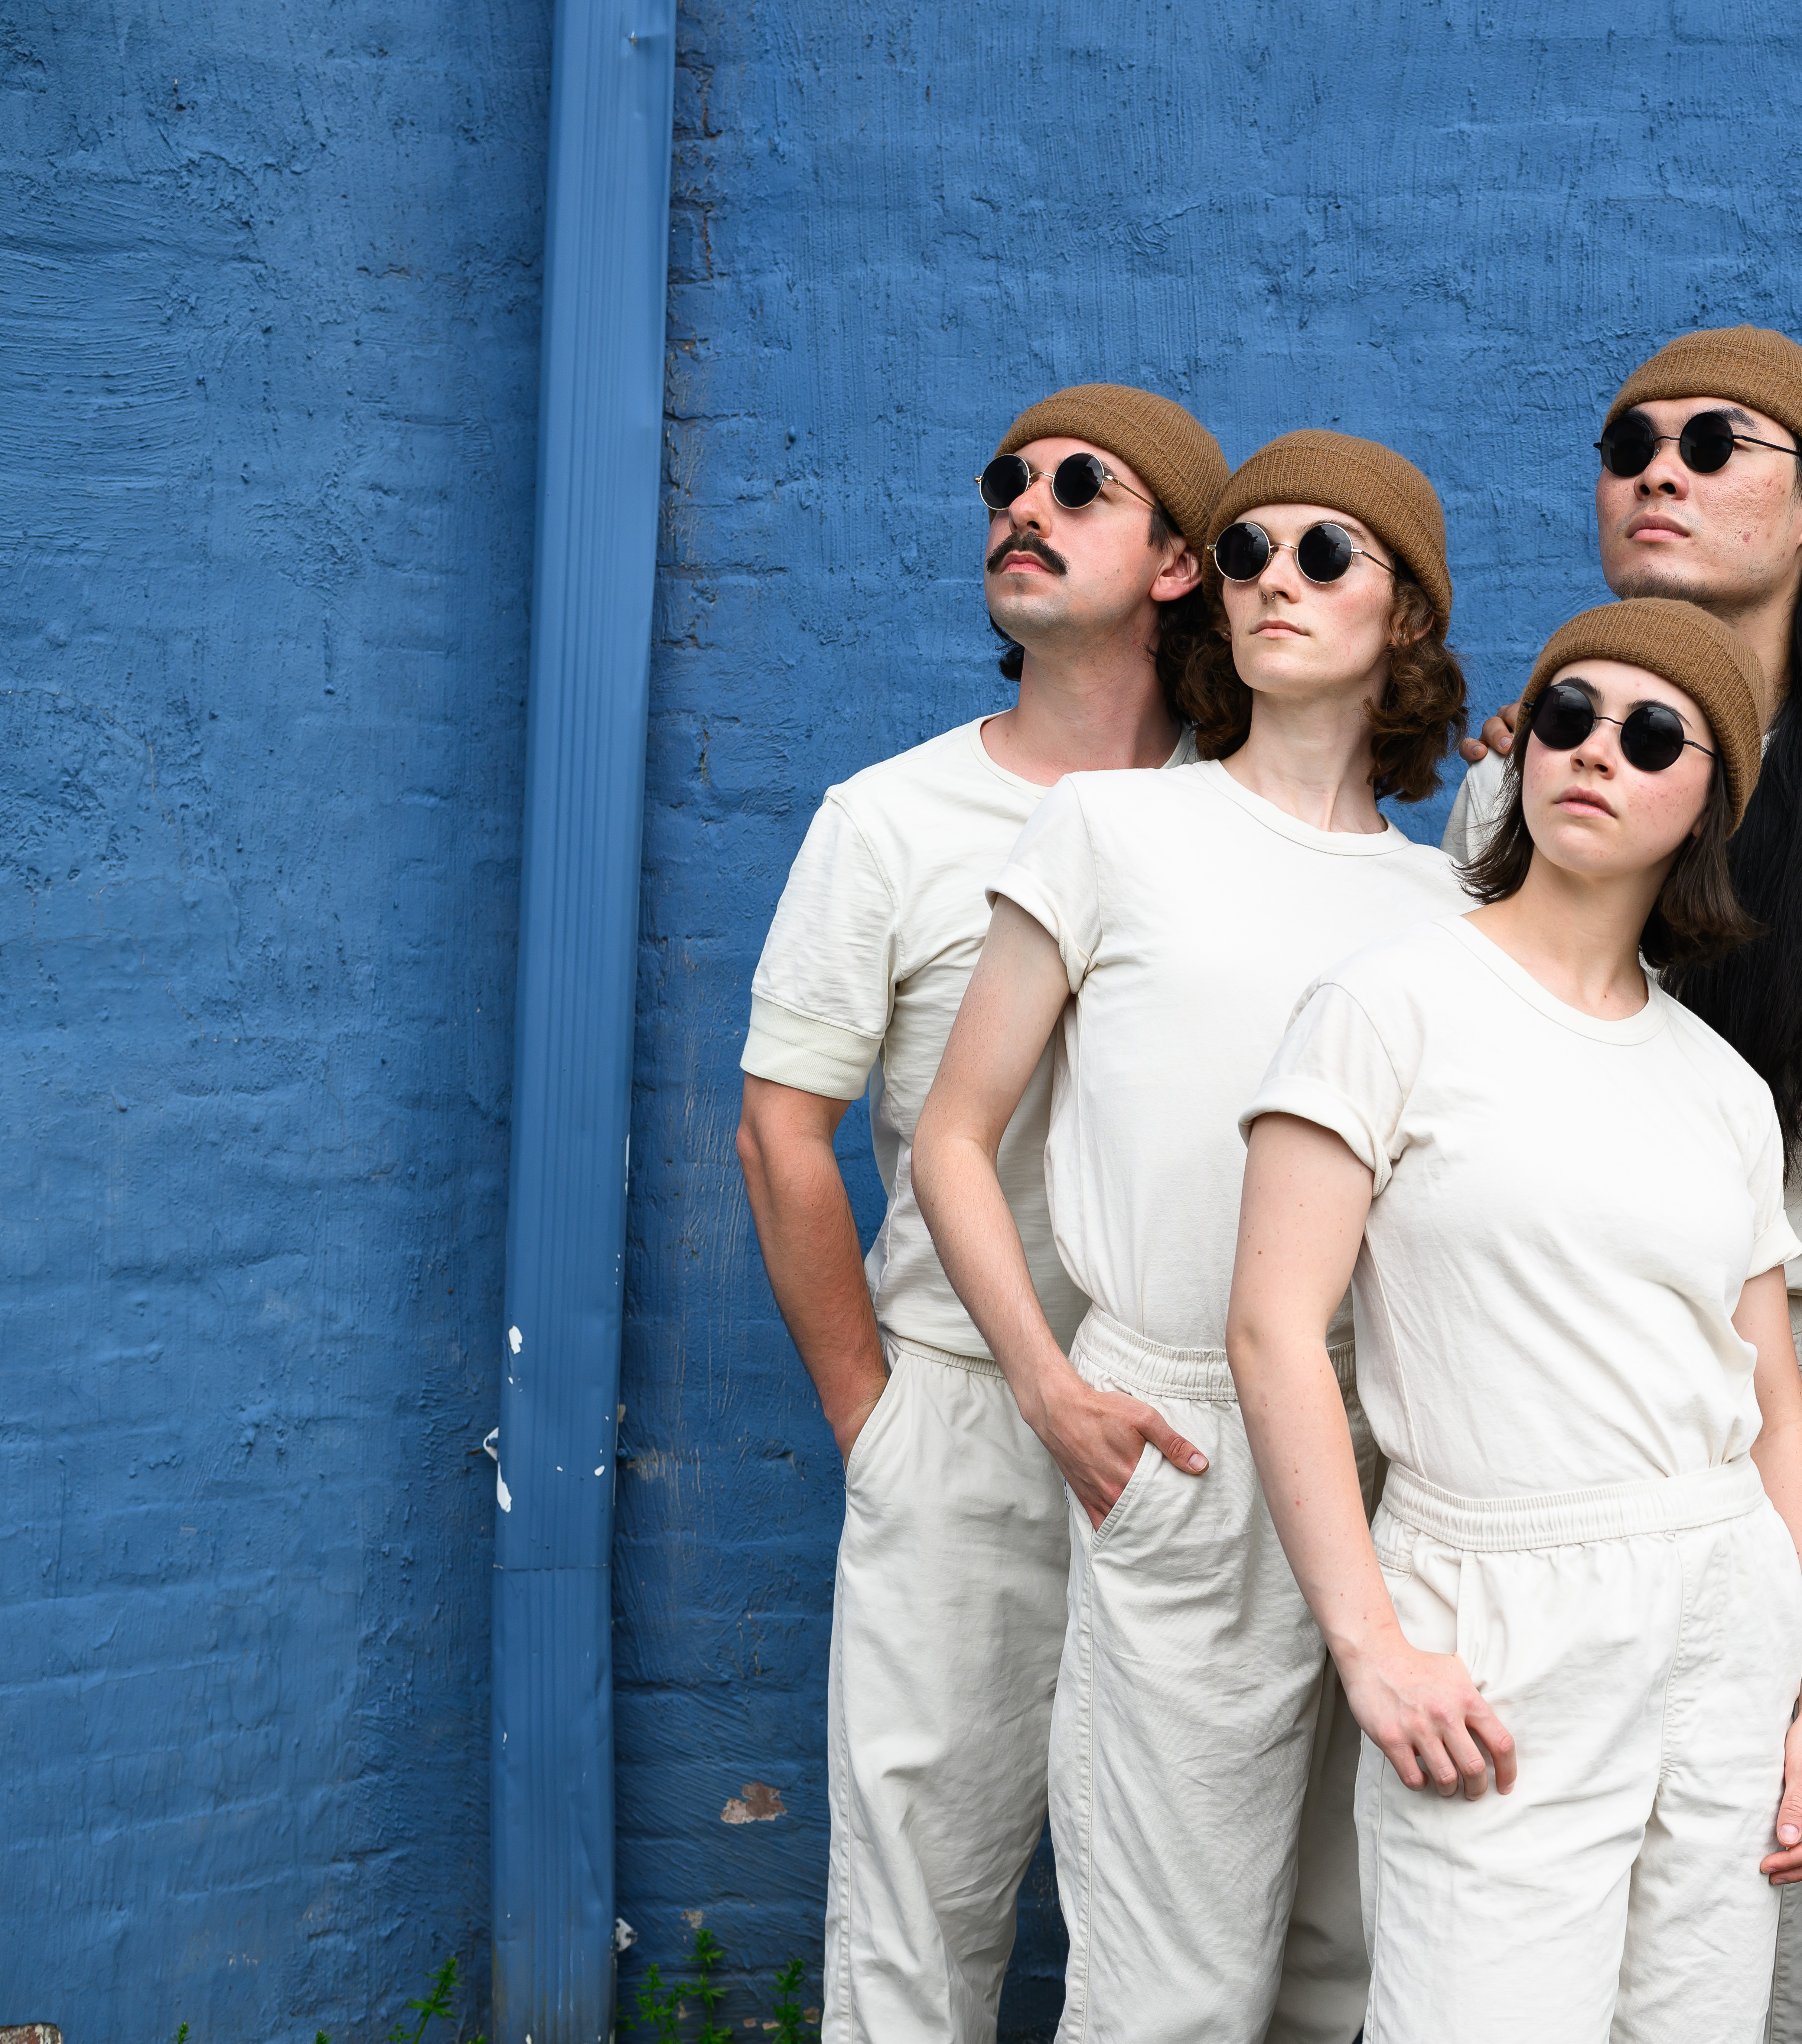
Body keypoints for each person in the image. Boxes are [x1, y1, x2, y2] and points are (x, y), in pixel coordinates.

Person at [1232, 599, 1802, 2043]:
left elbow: (1771, 1406)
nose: (1596, 752)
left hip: (1721, 1603)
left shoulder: (1714, 1081)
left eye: (1653, 735)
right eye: (1568, 715)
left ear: (1712, 799)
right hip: (1499, 1603)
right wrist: (1373, 1646)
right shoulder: (1387, 1003)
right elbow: (1273, 1331)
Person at [1442, 332, 1802, 2038]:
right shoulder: (1514, 781)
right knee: (1497, 1887)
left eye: (1716, 444)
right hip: (1510, 1423)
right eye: (1630, 442)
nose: (1659, 469)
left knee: (1747, 1931)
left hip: (1767, 1418)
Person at [909, 429, 1468, 2044]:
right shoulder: (1113, 832)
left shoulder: (1449, 904)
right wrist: (1047, 1385)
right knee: (1169, 1970)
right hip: (1172, 1431)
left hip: (1391, 1451)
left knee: (1348, 1948)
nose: (1273, 582)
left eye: (1324, 555)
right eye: (1244, 554)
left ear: (1407, 617)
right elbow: (955, 1133)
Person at [734, 384, 1223, 2044]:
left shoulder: (1247, 818)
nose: (1025, 502)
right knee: (915, 1914)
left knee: (1191, 1908)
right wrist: (877, 1413)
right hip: (957, 1411)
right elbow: (781, 1133)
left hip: (1189, 1424)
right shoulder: (888, 820)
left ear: (1177, 564)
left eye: (1082, 486)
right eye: (1008, 481)